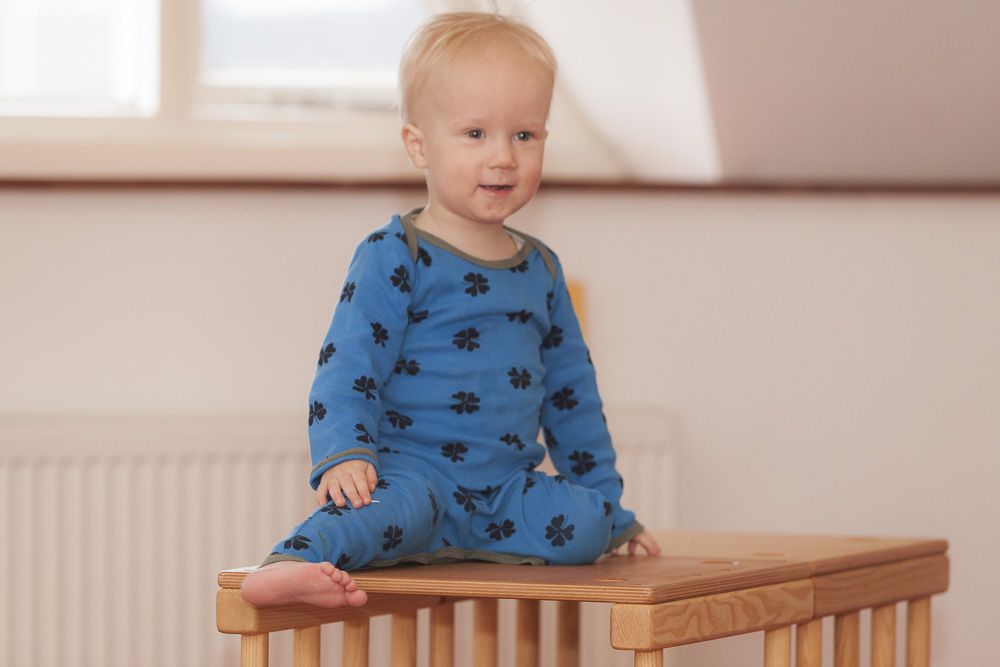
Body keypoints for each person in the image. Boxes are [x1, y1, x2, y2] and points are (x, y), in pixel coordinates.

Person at [241, 11, 661, 609]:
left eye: (525, 135)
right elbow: (348, 362)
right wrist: (345, 452)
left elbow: (573, 398)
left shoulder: (541, 270)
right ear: (419, 145)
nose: (503, 157)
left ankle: (524, 529)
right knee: (368, 514)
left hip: (506, 491)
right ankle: (292, 563)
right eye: (475, 134)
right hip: (415, 478)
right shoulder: (397, 252)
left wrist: (612, 510)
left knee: (587, 525)